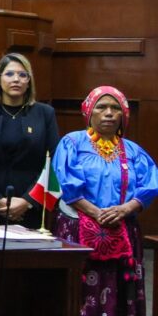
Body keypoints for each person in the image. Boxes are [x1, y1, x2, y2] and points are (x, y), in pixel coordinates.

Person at [53, 86, 158, 316]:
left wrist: (126, 208)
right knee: (80, 293)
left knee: (122, 293)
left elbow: (150, 183)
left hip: (123, 228)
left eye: (115, 108)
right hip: (78, 227)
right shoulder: (73, 143)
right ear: (89, 112)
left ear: (124, 115)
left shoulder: (133, 150)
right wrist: (95, 213)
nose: (109, 113)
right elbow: (68, 182)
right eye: (101, 107)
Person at [0, 53, 60, 226]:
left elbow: (54, 162)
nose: (16, 79)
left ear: (29, 81)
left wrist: (27, 201)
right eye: (9, 74)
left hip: (29, 209)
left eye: (22, 75)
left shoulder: (45, 114)